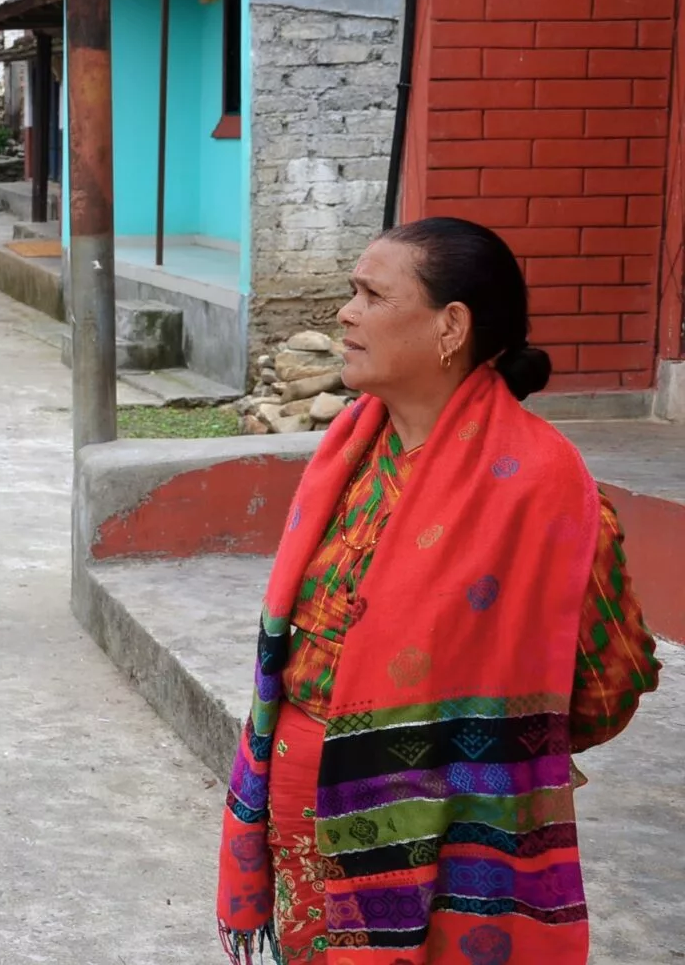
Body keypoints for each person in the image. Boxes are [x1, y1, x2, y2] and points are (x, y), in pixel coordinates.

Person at [216, 218, 660, 965]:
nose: (344, 312)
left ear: (450, 327)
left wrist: (472, 752)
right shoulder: (352, 451)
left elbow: (611, 681)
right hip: (297, 814)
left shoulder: (540, 490)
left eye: (371, 295)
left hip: (450, 828)